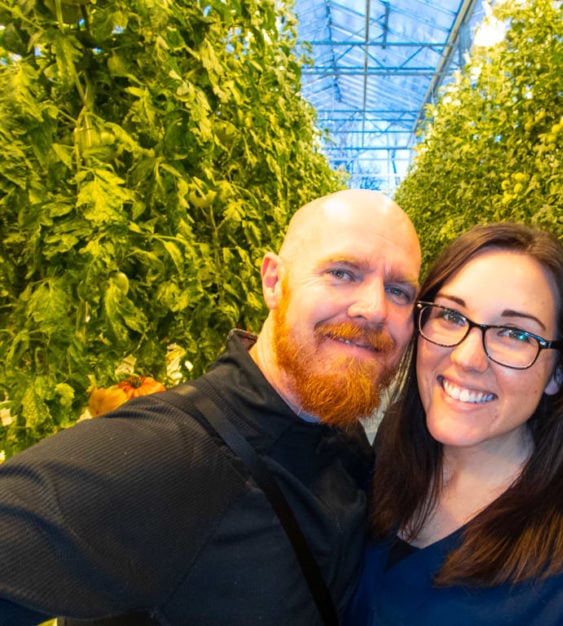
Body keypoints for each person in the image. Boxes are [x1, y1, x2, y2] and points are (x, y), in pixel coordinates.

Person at [0, 189, 422, 625]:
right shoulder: (166, 454)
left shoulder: (341, 433)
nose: (374, 309)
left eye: (399, 290)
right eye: (342, 272)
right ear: (274, 281)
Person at [348, 223, 563, 626]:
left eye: (514, 334)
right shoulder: (386, 455)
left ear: (558, 373)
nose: (467, 358)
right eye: (450, 315)